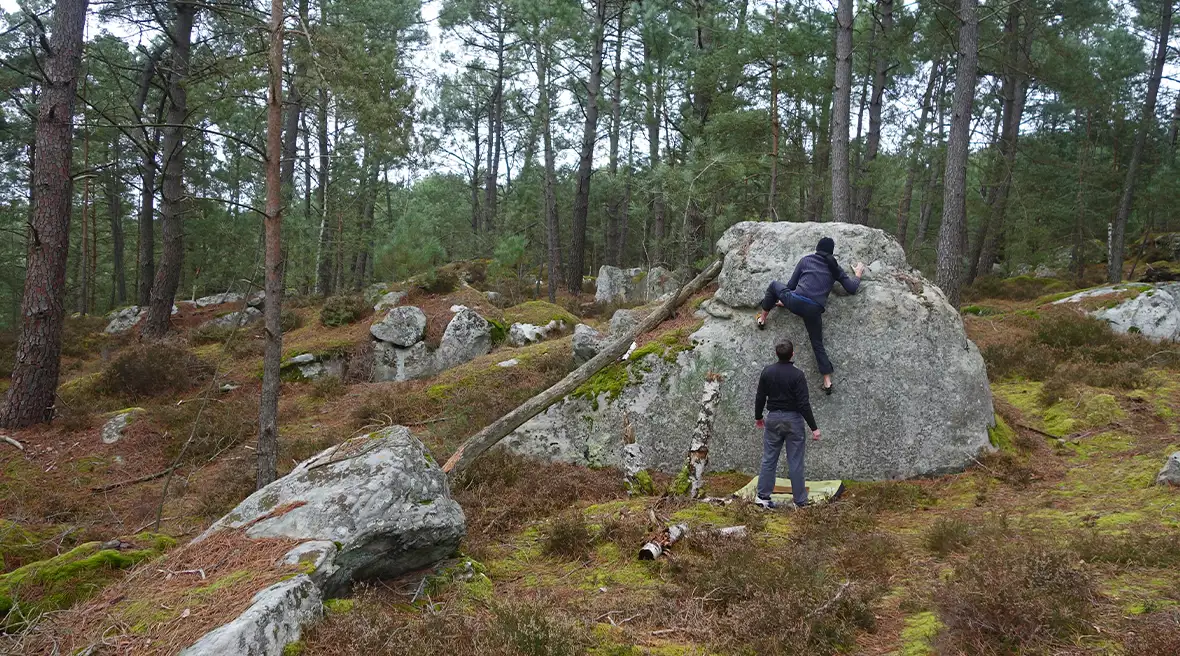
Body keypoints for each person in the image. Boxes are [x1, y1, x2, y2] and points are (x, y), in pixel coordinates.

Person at [756, 236, 865, 394]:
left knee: (773, 285)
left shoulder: (806, 260)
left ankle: (762, 319)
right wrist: (858, 274)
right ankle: (827, 381)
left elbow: (791, 286)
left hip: (796, 301)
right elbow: (852, 288)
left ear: (817, 248)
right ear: (831, 252)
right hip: (814, 310)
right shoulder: (835, 268)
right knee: (817, 343)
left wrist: (785, 301)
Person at [754, 338, 820, 509]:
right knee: (795, 461)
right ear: (792, 354)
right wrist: (814, 427)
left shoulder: (767, 372)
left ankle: (762, 497)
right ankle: (800, 501)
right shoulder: (798, 375)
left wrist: (758, 416)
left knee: (769, 459)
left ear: (776, 354)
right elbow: (803, 404)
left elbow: (760, 396)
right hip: (793, 420)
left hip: (773, 418)